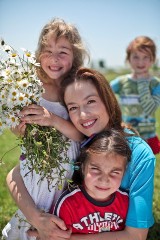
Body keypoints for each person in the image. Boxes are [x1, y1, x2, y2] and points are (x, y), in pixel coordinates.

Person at [5, 67, 155, 240]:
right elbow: (16, 173)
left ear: (108, 100)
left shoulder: (140, 154)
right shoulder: (75, 141)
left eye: (90, 101)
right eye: (73, 107)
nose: (83, 115)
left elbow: (136, 235)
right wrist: (36, 219)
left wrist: (58, 237)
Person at [2, 18, 89, 240]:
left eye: (63, 52)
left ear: (75, 56)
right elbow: (16, 121)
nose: (54, 58)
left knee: (63, 219)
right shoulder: (30, 85)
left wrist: (54, 120)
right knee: (34, 211)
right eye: (48, 50)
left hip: (69, 171)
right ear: (39, 53)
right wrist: (19, 128)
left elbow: (82, 134)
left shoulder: (77, 87)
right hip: (38, 167)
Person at [53, 129, 132, 233]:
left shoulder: (126, 202)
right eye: (95, 169)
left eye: (114, 172)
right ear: (83, 167)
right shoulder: (68, 204)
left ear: (124, 172)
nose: (104, 180)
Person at [110, 36, 160, 155]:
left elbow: (150, 108)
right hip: (127, 134)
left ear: (152, 60)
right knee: (126, 167)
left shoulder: (156, 84)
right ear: (128, 59)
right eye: (136, 57)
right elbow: (103, 91)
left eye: (145, 57)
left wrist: (142, 82)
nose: (140, 62)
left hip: (148, 136)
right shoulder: (122, 82)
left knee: (146, 167)